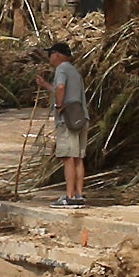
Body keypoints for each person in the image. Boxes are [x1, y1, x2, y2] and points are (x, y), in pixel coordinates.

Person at [44, 38, 90, 207]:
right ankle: (78, 195)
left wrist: (58, 105)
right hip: (80, 118)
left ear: (56, 55)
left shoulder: (61, 69)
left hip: (67, 120)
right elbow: (60, 89)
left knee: (68, 157)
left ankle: (69, 196)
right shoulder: (74, 71)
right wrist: (47, 86)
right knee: (78, 157)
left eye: (50, 55)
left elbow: (61, 88)